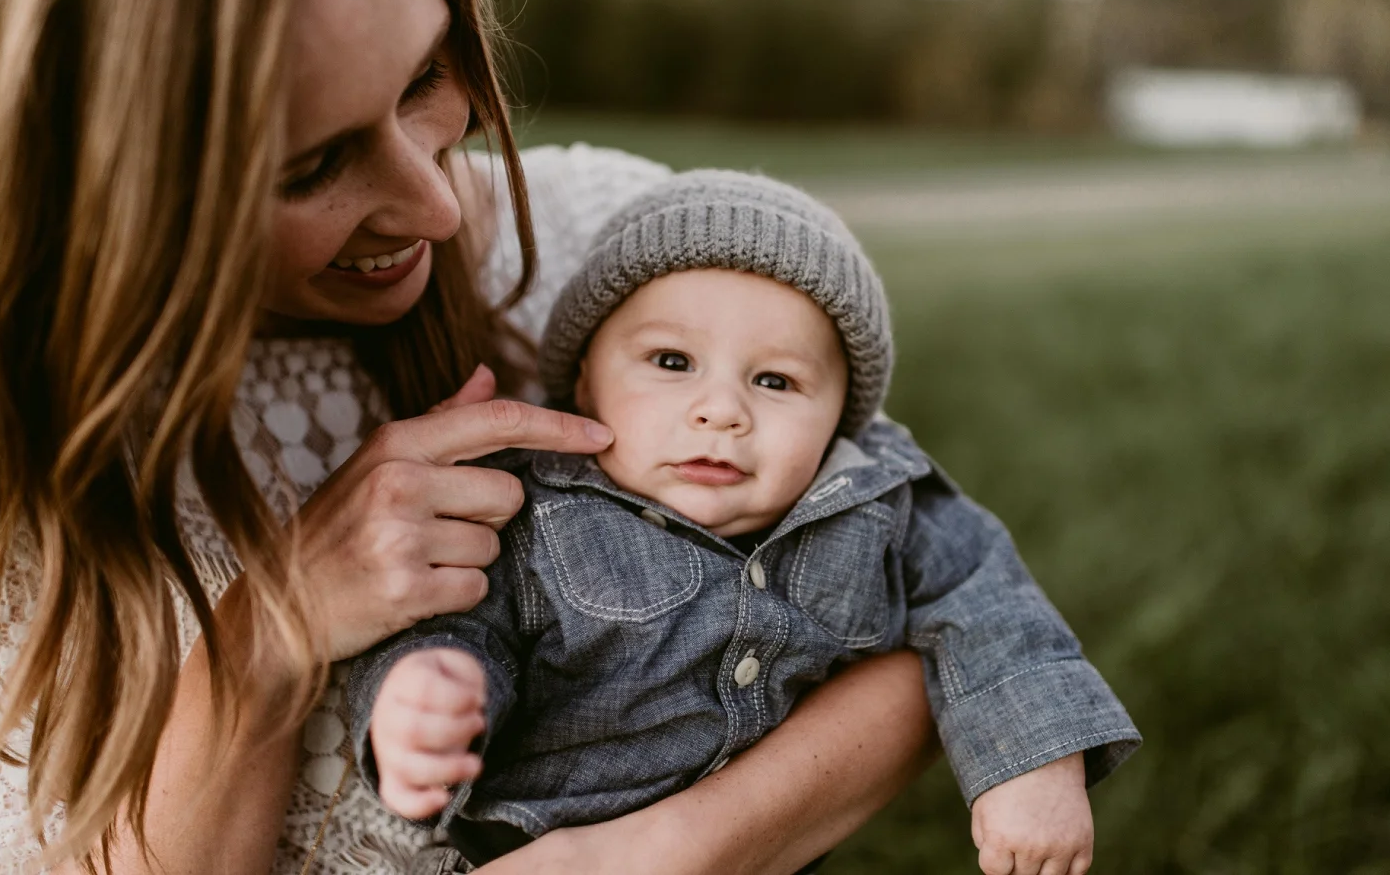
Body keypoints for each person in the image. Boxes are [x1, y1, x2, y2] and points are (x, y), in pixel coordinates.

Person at [0, 0, 932, 873]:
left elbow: (929, 605)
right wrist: (274, 628)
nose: (439, 205)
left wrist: (658, 849)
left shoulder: (621, 244)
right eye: (310, 167)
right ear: (105, 188)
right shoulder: (24, 464)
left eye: (425, 76)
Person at [351, 171, 1142, 875]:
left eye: (775, 380)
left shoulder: (876, 497)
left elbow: (989, 601)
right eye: (671, 363)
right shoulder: (535, 501)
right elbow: (458, 619)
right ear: (585, 380)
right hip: (528, 847)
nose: (721, 411)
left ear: (842, 416)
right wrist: (424, 692)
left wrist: (1033, 765)